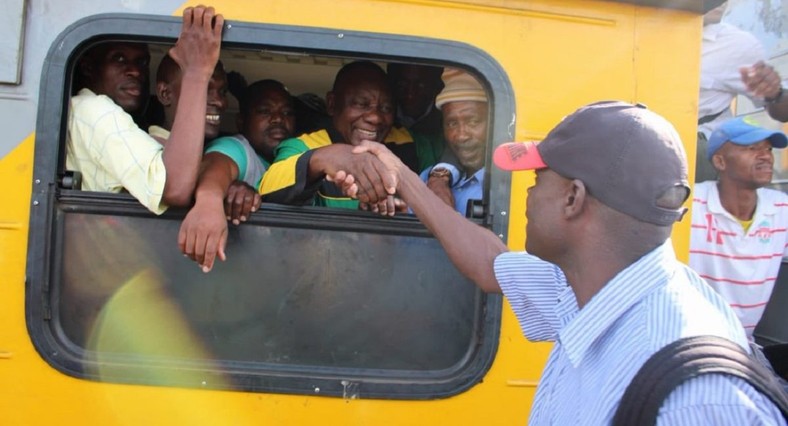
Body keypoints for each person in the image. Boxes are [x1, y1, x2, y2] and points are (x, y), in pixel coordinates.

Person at [338, 101, 785, 423]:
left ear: (573, 199)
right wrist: (400, 175)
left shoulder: (701, 400)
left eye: (537, 180)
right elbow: (490, 262)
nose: (528, 195)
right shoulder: (585, 284)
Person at [66, 6, 224, 214]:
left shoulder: (85, 111)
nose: (136, 71)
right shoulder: (95, 110)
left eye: (142, 62)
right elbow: (174, 188)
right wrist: (196, 70)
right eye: (120, 59)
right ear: (88, 68)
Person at [688, 116, 788, 386]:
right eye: (751, 148)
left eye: (768, 149)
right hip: (689, 346)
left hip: (743, 347)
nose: (765, 156)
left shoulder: (780, 208)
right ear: (720, 162)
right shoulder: (691, 204)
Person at [258, 61, 419, 212]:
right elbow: (266, 193)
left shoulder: (401, 141)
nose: (375, 117)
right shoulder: (303, 146)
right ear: (332, 104)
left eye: (386, 108)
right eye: (361, 104)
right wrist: (324, 158)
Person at [179, 79, 297, 272]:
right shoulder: (238, 148)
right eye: (265, 111)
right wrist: (211, 199)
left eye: (287, 112)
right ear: (241, 122)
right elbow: (216, 166)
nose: (278, 119)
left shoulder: (293, 159)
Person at [696, 1, 786, 182]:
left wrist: (774, 93)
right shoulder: (639, 23)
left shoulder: (739, 45)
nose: (719, 3)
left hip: (696, 153)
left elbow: (783, 113)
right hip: (635, 137)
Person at [420, 68, 487, 215]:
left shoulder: (508, 187)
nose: (461, 135)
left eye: (473, 122)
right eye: (452, 124)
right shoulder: (427, 179)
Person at [151, 54, 229, 143]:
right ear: (165, 94)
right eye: (203, 90)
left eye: (223, 92)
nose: (220, 102)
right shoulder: (148, 154)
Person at [387, 62, 446, 165]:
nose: (410, 94)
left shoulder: (446, 118)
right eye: (402, 84)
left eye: (420, 85)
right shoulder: (383, 115)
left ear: (435, 85)